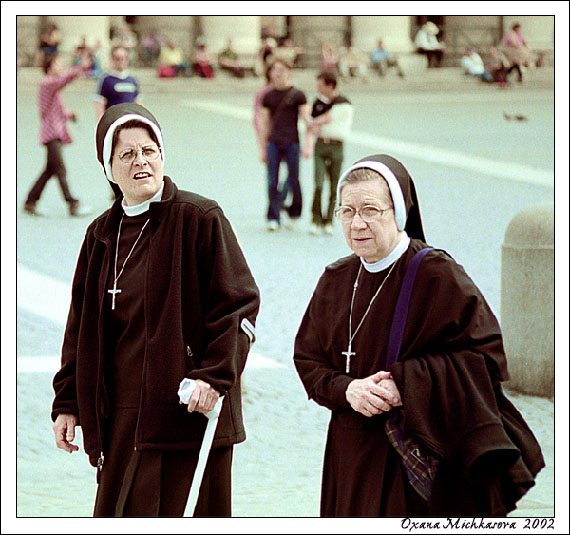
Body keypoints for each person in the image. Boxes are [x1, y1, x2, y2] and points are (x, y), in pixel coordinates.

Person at [293, 154, 544, 517]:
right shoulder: (336, 278)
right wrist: (347, 390)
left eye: (370, 210)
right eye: (345, 211)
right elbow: (308, 360)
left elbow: (485, 359)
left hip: (412, 452)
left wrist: (406, 385)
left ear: (398, 212)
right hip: (349, 452)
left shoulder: (435, 273)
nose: (356, 223)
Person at [51, 103, 260, 517]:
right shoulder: (100, 235)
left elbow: (238, 307)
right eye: (126, 153)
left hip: (185, 409)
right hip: (120, 413)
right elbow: (81, 327)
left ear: (162, 155)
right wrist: (69, 401)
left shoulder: (199, 217)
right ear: (109, 168)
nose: (140, 161)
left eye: (148, 150)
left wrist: (213, 377)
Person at [23, 52, 91, 217]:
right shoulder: (47, 83)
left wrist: (68, 114)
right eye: (58, 63)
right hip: (51, 134)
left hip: (55, 133)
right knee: (60, 169)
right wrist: (79, 67)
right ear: (50, 67)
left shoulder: (50, 86)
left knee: (50, 170)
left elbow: (53, 111)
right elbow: (63, 81)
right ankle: (72, 204)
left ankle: (30, 201)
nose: (61, 66)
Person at [258, 58, 311, 231]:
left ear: (289, 71)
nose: (278, 73)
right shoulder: (268, 96)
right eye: (275, 70)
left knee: (293, 178)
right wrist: (262, 147)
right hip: (274, 142)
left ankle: (294, 212)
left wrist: (309, 142)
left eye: (281, 69)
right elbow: (264, 123)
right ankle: (273, 217)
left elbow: (306, 119)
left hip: (292, 142)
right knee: (272, 181)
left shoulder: (298, 95)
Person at [303, 71, 353, 236]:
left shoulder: (343, 103)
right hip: (321, 145)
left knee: (334, 185)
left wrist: (313, 122)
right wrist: (308, 144)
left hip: (336, 146)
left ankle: (328, 220)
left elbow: (327, 119)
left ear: (330, 86)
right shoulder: (318, 102)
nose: (318, 89)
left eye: (320, 85)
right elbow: (310, 125)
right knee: (318, 183)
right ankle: (315, 218)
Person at [94, 45, 141, 122]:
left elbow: (139, 103)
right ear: (112, 60)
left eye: (123, 58)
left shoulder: (132, 80)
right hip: (113, 122)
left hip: (131, 123)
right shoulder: (105, 80)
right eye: (117, 59)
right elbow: (99, 104)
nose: (121, 61)